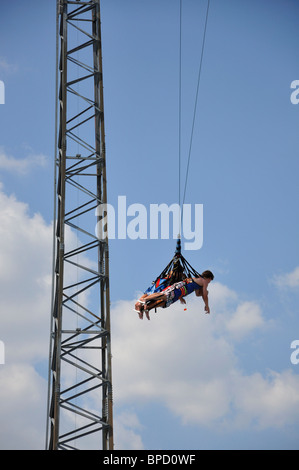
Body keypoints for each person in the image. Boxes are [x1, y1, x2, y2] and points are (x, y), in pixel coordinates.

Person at [135, 270, 214, 320]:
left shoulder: (198, 280)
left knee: (165, 302)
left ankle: (144, 308)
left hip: (180, 292)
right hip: (179, 288)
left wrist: (181, 298)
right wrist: (207, 305)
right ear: (208, 278)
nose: (209, 282)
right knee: (165, 295)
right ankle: (145, 300)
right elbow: (204, 295)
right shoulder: (204, 281)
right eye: (210, 280)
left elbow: (198, 294)